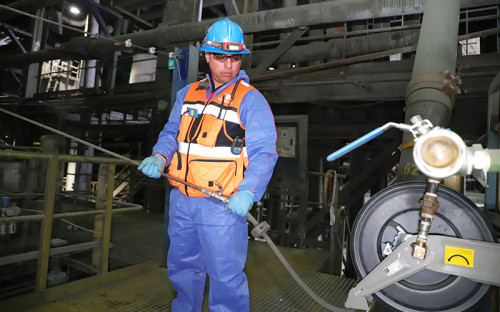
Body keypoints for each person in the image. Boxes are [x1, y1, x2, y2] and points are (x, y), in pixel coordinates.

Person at [138, 18, 278, 312]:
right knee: (182, 272)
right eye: (220, 57)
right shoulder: (186, 94)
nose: (228, 65)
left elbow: (264, 154)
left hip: (223, 206)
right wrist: (159, 156)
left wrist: (249, 192)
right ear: (206, 55)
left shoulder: (251, 101)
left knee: (226, 279)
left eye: (235, 58)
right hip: (182, 201)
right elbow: (171, 132)